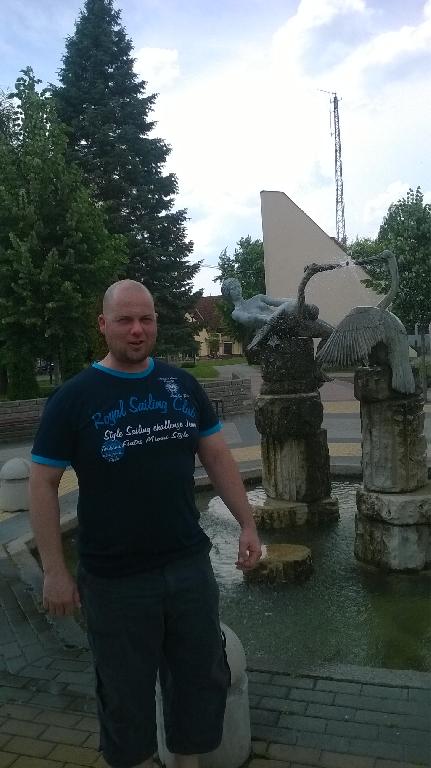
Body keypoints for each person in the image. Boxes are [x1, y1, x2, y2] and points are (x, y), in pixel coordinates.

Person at [29, 279, 262, 768]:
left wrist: (247, 523)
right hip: (115, 580)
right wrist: (54, 570)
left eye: (146, 319)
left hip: (188, 567)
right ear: (103, 325)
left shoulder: (182, 385)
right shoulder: (74, 398)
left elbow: (217, 456)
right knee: (124, 695)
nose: (137, 330)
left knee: (200, 681)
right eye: (125, 320)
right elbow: (42, 483)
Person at [221, 277, 334, 350]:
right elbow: (250, 318)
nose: (238, 289)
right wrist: (267, 318)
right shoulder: (236, 313)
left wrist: (298, 303)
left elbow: (278, 301)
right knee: (287, 306)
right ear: (228, 293)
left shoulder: (258, 298)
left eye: (238, 286)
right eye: (233, 288)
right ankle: (307, 309)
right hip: (276, 328)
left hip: (288, 320)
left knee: (331, 333)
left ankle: (319, 365)